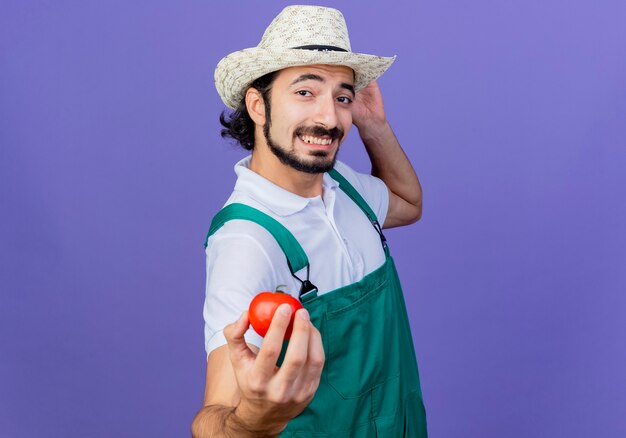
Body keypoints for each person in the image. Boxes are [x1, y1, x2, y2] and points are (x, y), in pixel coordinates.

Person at [192, 5, 427, 437]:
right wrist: (251, 421)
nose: (329, 118)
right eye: (305, 92)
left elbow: (408, 203)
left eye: (341, 97)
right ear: (257, 105)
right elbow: (213, 419)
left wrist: (373, 125)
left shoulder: (345, 187)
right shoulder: (248, 239)